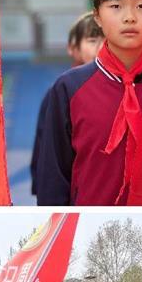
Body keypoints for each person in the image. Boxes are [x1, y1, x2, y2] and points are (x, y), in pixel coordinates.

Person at [36, 0, 142, 206]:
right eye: (115, 6)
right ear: (97, 16)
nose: (129, 17)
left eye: (141, 6)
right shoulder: (69, 88)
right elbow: (53, 179)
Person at [30, 12, 104, 196]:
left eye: (106, 39)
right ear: (73, 48)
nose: (101, 47)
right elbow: (46, 156)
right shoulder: (62, 91)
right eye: (92, 40)